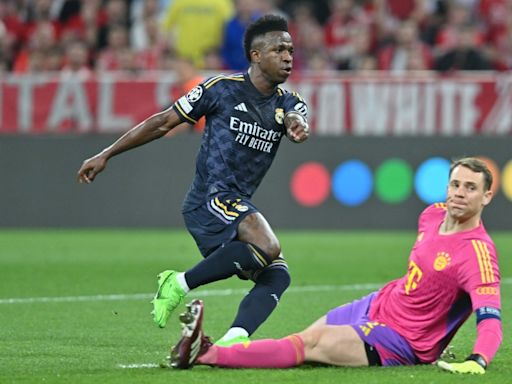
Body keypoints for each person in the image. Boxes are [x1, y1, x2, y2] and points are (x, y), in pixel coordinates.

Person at [77, 15, 310, 346]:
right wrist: (107, 153)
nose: (288, 56)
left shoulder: (287, 100)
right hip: (210, 199)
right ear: (256, 55)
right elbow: (162, 122)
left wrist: (297, 125)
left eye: (290, 49)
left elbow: (296, 116)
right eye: (279, 49)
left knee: (277, 276)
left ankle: (232, 342)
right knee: (268, 246)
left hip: (233, 206)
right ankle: (178, 283)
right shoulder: (221, 89)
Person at [170, 157, 502, 375]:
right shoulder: (432, 214)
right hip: (378, 304)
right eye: (455, 184)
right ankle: (214, 351)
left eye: (471, 188)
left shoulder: (477, 254)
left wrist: (479, 359)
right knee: (305, 340)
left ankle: (207, 353)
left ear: (487, 197)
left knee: (308, 348)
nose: (459, 193)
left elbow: (491, 320)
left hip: (400, 338)